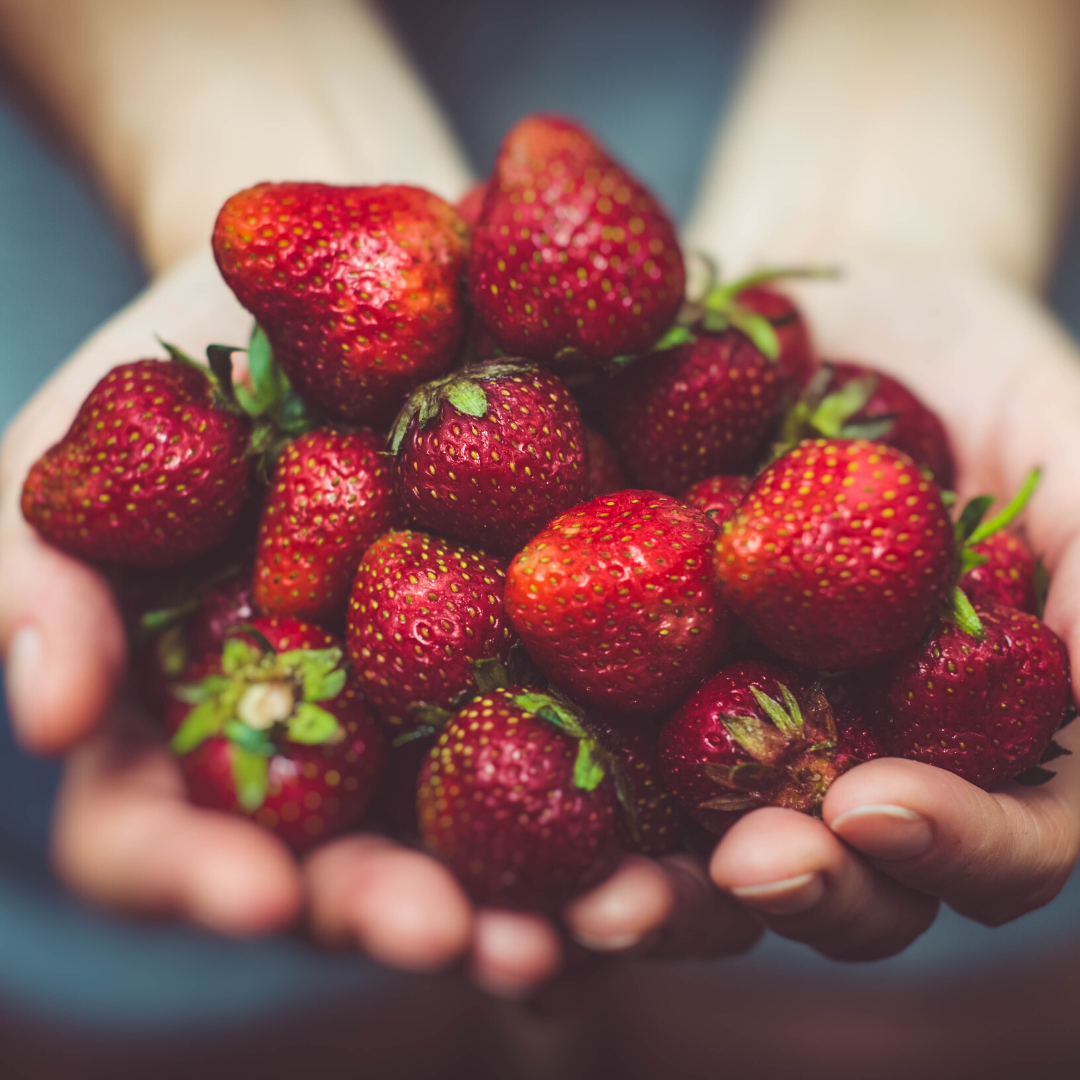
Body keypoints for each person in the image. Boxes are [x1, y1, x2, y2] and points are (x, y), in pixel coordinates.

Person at [1, 0, 1079, 1003]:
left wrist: (900, 202)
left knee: (888, 958)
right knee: (201, 974)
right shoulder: (535, 502)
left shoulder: (698, 530)